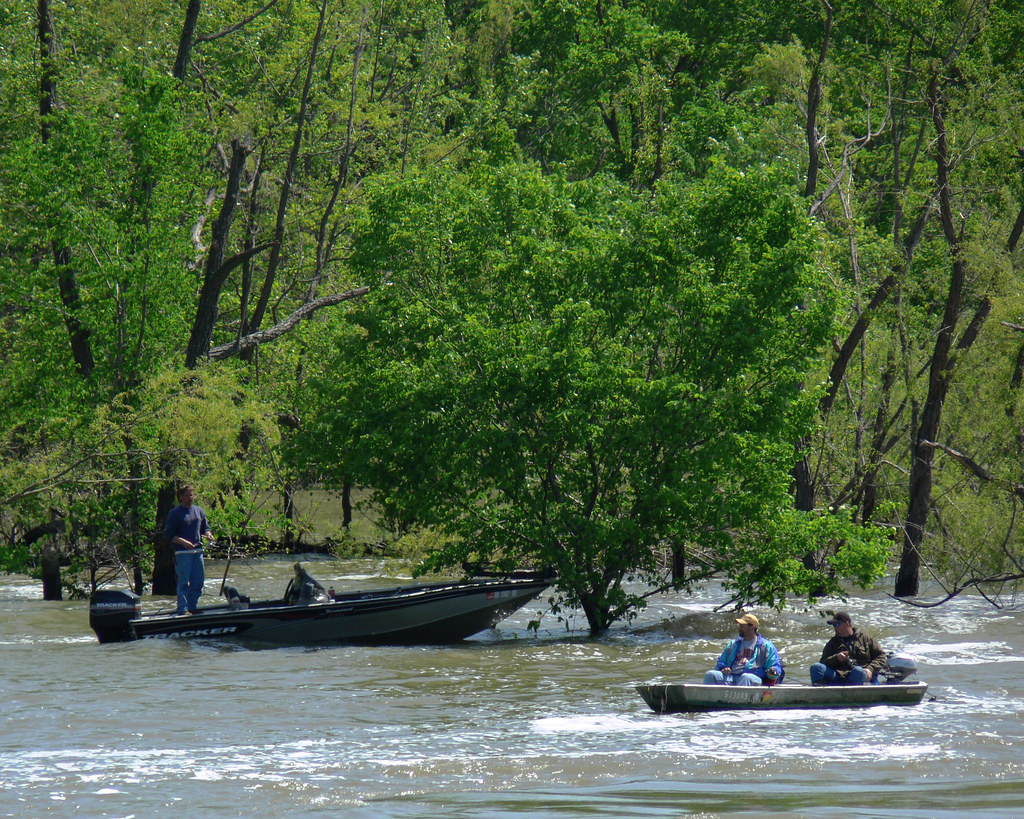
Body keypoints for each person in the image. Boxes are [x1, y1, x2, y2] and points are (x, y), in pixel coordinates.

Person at [164, 485, 215, 615]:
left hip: (197, 552)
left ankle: (192, 607)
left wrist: (208, 534)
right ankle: (182, 609)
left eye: (191, 495)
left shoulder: (199, 511)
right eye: (187, 495)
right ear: (181, 496)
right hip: (183, 553)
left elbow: (205, 528)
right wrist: (184, 542)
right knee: (183, 582)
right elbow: (170, 534)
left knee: (198, 582)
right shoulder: (175, 513)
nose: (190, 498)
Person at [704, 614, 783, 686]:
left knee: (745, 677)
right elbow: (721, 662)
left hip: (753, 678)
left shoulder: (766, 646)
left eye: (743, 626)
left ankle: (739, 701)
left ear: (752, 627)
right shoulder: (733, 644)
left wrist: (773, 672)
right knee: (710, 674)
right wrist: (723, 668)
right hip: (731, 677)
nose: (739, 628)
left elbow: (775, 666)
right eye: (739, 626)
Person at [810, 611, 887, 685]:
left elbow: (881, 656)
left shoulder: (865, 638)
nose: (835, 627)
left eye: (837, 624)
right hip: (838, 675)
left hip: (859, 674)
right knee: (816, 667)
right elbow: (823, 662)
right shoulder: (832, 643)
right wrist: (836, 658)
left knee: (858, 671)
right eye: (833, 625)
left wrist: (870, 669)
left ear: (847, 623)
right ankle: (822, 693)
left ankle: (854, 694)